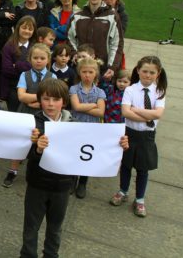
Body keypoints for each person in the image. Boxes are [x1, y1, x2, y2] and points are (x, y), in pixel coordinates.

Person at [20, 78, 129, 258]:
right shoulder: (31, 124)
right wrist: (38, 149)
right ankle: (27, 255)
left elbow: (96, 145)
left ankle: (51, 255)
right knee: (31, 227)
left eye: (56, 99)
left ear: (64, 101)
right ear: (40, 100)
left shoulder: (74, 124)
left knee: (55, 228)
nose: (51, 104)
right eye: (46, 99)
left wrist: (119, 144)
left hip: (63, 186)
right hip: (37, 184)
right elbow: (22, 152)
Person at [110, 56, 167, 217]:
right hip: (130, 133)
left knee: (143, 168)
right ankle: (123, 191)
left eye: (151, 72)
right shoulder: (130, 89)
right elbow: (125, 112)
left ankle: (140, 199)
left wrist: (137, 110)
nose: (147, 75)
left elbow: (158, 113)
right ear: (138, 71)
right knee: (126, 165)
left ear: (158, 73)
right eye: (144, 71)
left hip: (147, 136)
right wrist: (148, 116)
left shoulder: (159, 91)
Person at [4, 43, 55, 188]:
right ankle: (12, 171)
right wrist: (41, 98)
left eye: (42, 58)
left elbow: (53, 97)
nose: (38, 60)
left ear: (48, 59)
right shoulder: (24, 75)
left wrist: (38, 102)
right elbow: (21, 96)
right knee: (20, 142)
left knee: (42, 143)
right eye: (35, 57)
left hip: (45, 116)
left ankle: (39, 172)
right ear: (30, 59)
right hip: (25, 114)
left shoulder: (53, 76)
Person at [67, 0, 124, 81]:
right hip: (81, 68)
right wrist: (75, 55)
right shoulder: (77, 16)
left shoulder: (112, 16)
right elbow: (70, 39)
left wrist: (112, 66)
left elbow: (116, 43)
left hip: (102, 69)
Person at [69, 57, 106, 199]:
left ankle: (83, 183)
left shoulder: (100, 92)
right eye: (84, 72)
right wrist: (93, 105)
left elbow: (101, 112)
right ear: (79, 72)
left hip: (92, 128)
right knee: (74, 153)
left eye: (90, 72)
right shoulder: (73, 89)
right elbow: (76, 106)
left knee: (87, 155)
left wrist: (84, 107)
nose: (87, 75)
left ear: (95, 73)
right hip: (76, 126)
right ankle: (72, 180)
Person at [0, 15, 36, 112]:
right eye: (24, 28)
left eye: (30, 29)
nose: (27, 31)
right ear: (18, 28)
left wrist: (17, 65)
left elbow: (35, 68)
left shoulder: (34, 48)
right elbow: (7, 69)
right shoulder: (9, 46)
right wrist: (26, 66)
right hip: (12, 88)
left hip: (30, 88)